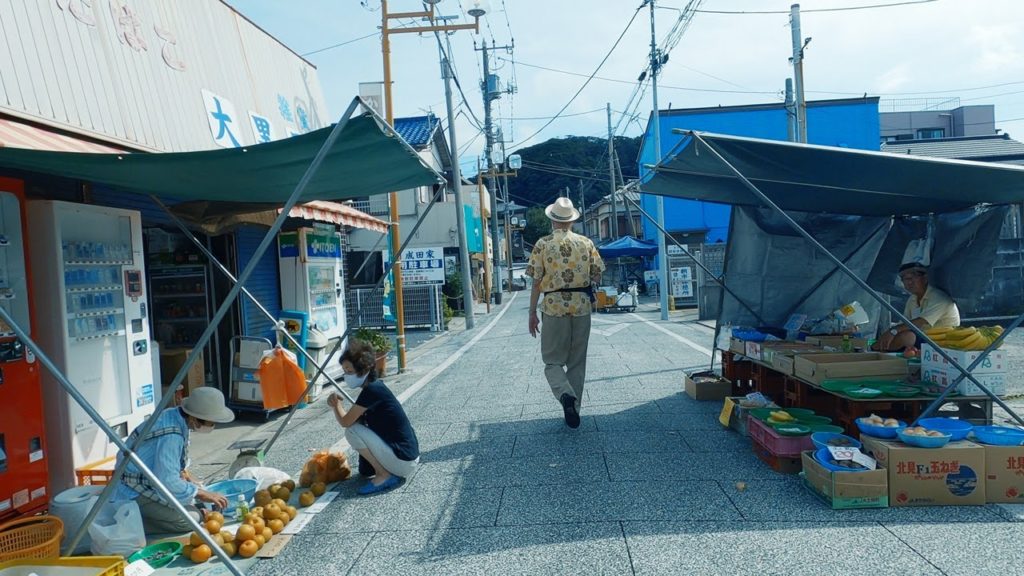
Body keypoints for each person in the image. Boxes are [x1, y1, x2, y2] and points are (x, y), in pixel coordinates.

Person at [525, 197, 605, 428]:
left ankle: (565, 395)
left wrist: (532, 312)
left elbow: (536, 282)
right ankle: (574, 407)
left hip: (554, 306)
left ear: (552, 220)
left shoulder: (542, 244)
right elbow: (597, 274)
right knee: (577, 362)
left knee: (552, 361)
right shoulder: (586, 243)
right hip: (581, 306)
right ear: (571, 221)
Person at [112, 386, 234, 534]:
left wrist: (187, 478)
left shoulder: (173, 416)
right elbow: (167, 480)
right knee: (192, 519)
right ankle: (132, 525)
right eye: (211, 423)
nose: (213, 426)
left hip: (142, 480)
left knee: (192, 501)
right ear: (194, 418)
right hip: (132, 490)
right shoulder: (172, 436)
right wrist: (202, 493)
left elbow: (167, 466)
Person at [328, 339, 419, 495]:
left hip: (403, 460)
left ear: (364, 369)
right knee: (364, 470)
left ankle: (384, 475)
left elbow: (346, 422)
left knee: (352, 431)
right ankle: (381, 470)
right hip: (407, 456)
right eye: (345, 371)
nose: (346, 376)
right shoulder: (375, 387)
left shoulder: (372, 391)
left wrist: (336, 406)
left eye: (349, 371)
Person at [874, 263, 960, 352]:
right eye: (905, 279)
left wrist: (893, 331)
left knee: (907, 337)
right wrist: (891, 332)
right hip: (923, 340)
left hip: (942, 342)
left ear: (925, 278)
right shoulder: (912, 299)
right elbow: (905, 322)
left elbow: (921, 322)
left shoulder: (939, 298)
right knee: (896, 335)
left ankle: (880, 351)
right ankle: (876, 351)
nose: (909, 282)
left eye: (912, 278)